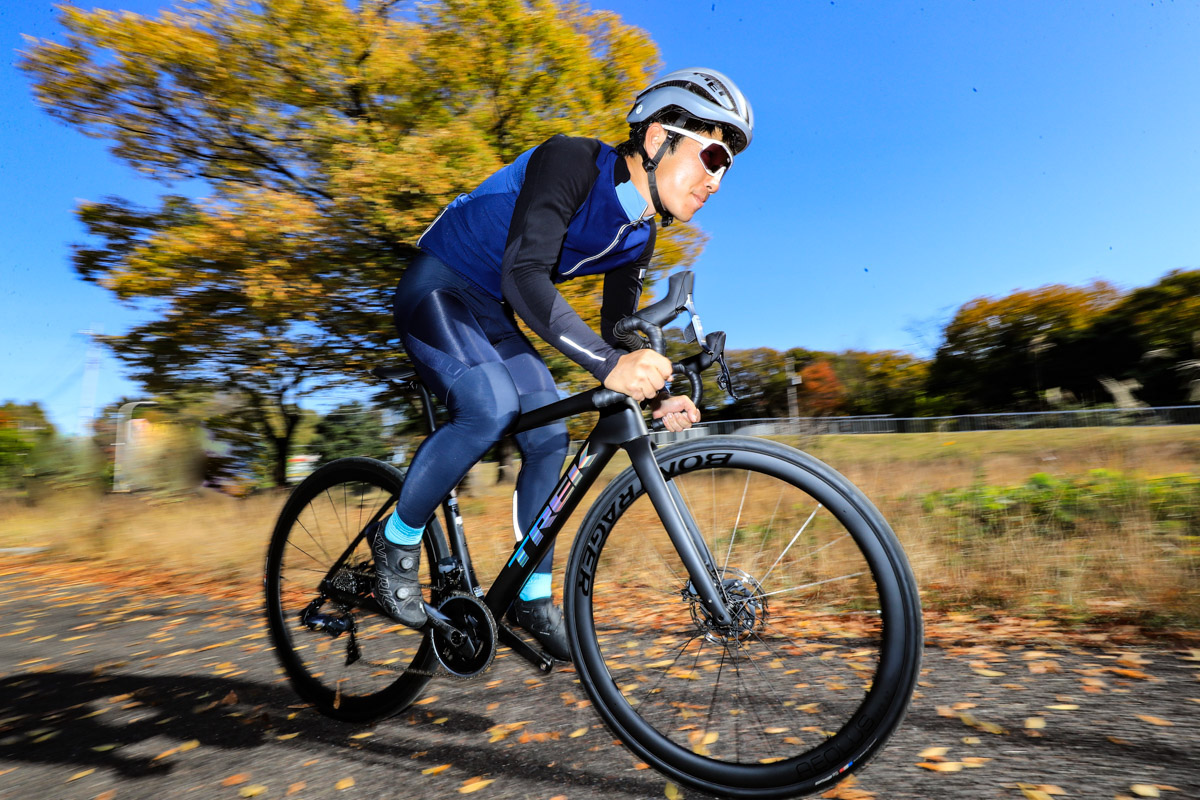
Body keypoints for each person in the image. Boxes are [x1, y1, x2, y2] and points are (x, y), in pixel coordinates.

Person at [373, 68, 754, 661]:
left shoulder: (639, 237)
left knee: (550, 434)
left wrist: (655, 393)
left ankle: (533, 597)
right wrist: (609, 366)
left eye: (726, 166)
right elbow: (524, 274)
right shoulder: (572, 160)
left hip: (493, 310)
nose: (717, 179)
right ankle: (396, 537)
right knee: (489, 407)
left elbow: (615, 332)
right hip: (440, 286)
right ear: (658, 139)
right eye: (710, 156)